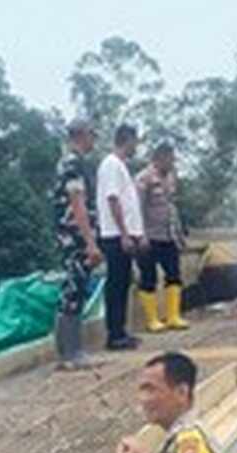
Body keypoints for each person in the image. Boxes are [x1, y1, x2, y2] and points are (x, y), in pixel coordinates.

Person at [51, 118, 103, 369]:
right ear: (82, 135)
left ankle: (72, 351)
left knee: (78, 289)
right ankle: (69, 353)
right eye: (93, 134)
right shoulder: (72, 164)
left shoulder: (75, 163)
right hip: (74, 235)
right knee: (73, 289)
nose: (94, 139)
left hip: (76, 233)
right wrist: (90, 242)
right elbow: (77, 204)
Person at [97, 124, 148, 351]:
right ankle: (114, 335)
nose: (136, 147)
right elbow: (112, 200)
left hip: (123, 234)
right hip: (115, 235)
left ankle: (121, 331)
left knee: (123, 283)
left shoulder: (120, 166)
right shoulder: (111, 165)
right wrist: (125, 234)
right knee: (116, 284)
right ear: (127, 140)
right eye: (135, 142)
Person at [134, 142, 189, 332]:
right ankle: (152, 320)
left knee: (174, 275)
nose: (172, 163)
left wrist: (180, 234)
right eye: (169, 159)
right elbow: (137, 209)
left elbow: (172, 208)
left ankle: (173, 316)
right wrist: (140, 235)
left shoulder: (171, 178)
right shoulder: (143, 179)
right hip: (149, 236)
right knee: (148, 277)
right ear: (158, 158)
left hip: (169, 235)